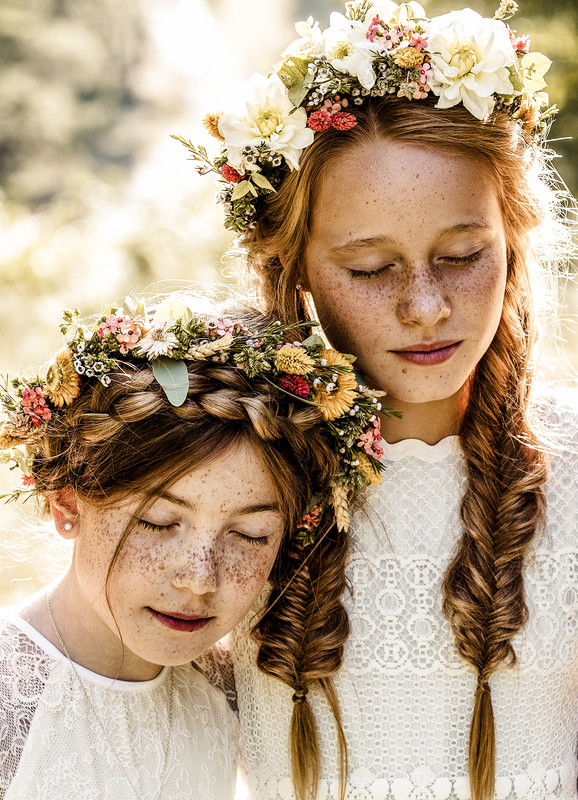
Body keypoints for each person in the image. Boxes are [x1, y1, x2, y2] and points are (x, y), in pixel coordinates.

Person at [184, 1, 578, 799]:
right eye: (370, 269)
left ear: (513, 240)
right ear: (292, 271)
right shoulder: (232, 470)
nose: (426, 306)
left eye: (463, 255)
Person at [0, 293, 386, 799]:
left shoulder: (237, 692)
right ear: (68, 503)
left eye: (250, 536)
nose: (200, 577)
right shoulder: (11, 702)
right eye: (160, 522)